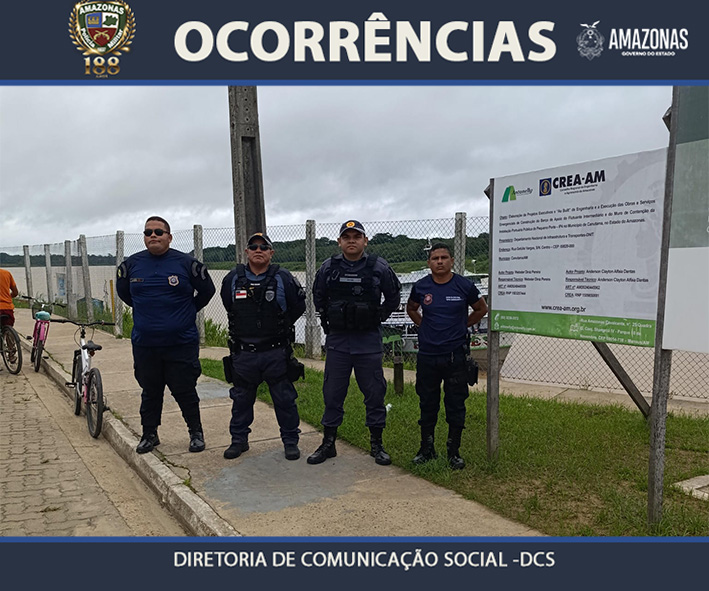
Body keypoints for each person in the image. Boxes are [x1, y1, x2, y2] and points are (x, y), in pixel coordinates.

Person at [116, 216, 215, 454]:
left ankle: (196, 433)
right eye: (148, 232)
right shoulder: (130, 265)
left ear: (169, 237)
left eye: (158, 232)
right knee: (150, 391)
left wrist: (186, 311)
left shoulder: (187, 264)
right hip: (145, 343)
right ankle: (149, 434)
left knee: (184, 389)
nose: (153, 235)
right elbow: (125, 295)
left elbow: (207, 291)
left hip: (180, 343)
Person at [307, 220, 401, 466]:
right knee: (332, 393)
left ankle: (377, 444)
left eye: (356, 236)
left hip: (368, 341)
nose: (351, 241)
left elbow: (393, 298)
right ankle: (328, 443)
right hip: (338, 341)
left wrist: (376, 317)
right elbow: (318, 297)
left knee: (374, 393)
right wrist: (332, 318)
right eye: (346, 237)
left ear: (365, 241)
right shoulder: (329, 267)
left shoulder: (379, 267)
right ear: (339, 241)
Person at [220, 232, 307, 461]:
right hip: (244, 353)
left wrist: (279, 327)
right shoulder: (233, 278)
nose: (258, 250)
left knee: (285, 399)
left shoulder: (283, 278)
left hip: (275, 352)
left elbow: (298, 306)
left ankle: (290, 441)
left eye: (263, 247)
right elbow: (229, 305)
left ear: (271, 252)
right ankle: (239, 440)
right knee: (241, 400)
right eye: (253, 247)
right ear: (246, 252)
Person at [405, 243, 488, 470]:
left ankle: (454, 451)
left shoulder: (464, 285)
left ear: (451, 261)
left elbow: (481, 309)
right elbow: (411, 308)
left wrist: (462, 325)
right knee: (427, 403)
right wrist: (423, 325)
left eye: (444, 257)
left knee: (456, 404)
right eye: (435, 258)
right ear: (429, 263)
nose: (439, 262)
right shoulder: (421, 286)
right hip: (428, 355)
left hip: (455, 356)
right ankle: (426, 449)